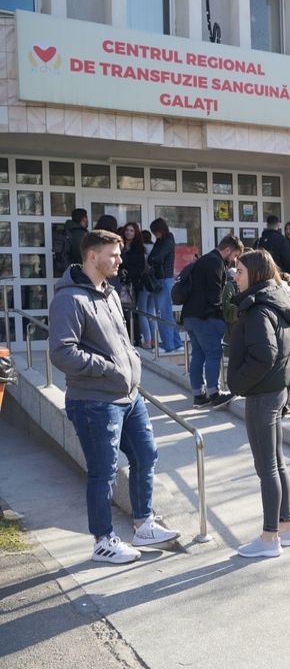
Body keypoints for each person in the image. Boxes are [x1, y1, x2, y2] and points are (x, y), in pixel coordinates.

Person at [49, 229, 180, 564]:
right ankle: (103, 540)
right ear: (93, 256)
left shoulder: (108, 292)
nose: (120, 260)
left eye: (120, 254)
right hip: (94, 400)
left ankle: (144, 524)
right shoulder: (69, 299)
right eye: (114, 254)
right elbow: (62, 352)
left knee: (146, 455)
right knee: (104, 472)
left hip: (128, 396)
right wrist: (108, 368)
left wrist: (129, 363)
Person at [227, 250, 290, 558]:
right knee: (276, 463)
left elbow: (264, 355)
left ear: (256, 274)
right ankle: (285, 528)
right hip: (275, 389)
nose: (235, 276)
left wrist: (238, 383)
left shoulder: (258, 309)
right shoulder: (277, 300)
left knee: (267, 466)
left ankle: (270, 538)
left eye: (241, 271)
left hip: (262, 393)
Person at [182, 235, 244, 408]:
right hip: (205, 317)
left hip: (190, 315)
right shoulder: (216, 263)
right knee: (213, 354)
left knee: (198, 354)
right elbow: (215, 295)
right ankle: (214, 393)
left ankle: (198, 395)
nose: (234, 260)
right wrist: (221, 315)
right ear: (228, 250)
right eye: (235, 255)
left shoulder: (203, 260)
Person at [147, 218, 183, 353]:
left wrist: (154, 259)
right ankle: (177, 343)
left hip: (164, 279)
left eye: (155, 231)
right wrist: (154, 259)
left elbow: (157, 257)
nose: (154, 234)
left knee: (163, 313)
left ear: (160, 230)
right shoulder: (160, 241)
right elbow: (151, 258)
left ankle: (168, 345)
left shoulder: (168, 240)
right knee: (166, 313)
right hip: (161, 279)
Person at [120, 222, 147, 347]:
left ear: (135, 233)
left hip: (133, 283)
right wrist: (121, 271)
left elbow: (140, 267)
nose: (129, 233)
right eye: (127, 230)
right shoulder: (120, 246)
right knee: (121, 311)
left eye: (131, 230)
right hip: (120, 282)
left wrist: (129, 272)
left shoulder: (138, 248)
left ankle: (136, 338)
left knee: (132, 311)